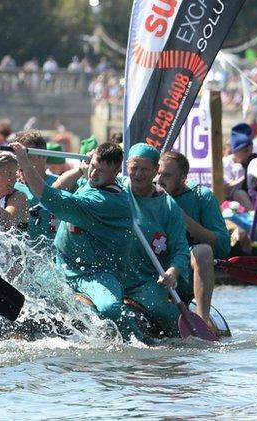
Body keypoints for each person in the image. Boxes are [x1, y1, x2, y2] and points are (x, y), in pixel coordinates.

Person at [10, 141, 143, 341]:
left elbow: (49, 197)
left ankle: (135, 339)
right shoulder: (92, 180)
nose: (94, 174)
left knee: (110, 308)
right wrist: (80, 170)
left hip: (96, 272)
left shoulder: (105, 202)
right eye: (93, 166)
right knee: (25, 299)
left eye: (102, 171)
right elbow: (57, 185)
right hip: (61, 265)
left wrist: (24, 162)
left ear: (115, 173)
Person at [120, 144, 191, 338]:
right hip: (113, 275)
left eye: (145, 169)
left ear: (155, 171)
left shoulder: (169, 206)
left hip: (147, 280)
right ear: (126, 166)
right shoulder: (115, 188)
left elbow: (181, 249)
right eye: (134, 168)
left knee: (158, 308)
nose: (138, 174)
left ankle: (183, 336)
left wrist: (172, 272)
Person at [157, 150, 231, 326]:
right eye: (157, 173)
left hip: (185, 271)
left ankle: (202, 322)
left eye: (166, 175)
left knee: (204, 251)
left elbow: (223, 246)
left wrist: (183, 218)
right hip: (154, 268)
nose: (159, 180)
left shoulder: (202, 197)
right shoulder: (146, 194)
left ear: (183, 178)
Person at [11, 130, 59, 248]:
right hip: (23, 256)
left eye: (25, 156)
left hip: (53, 255)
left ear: (43, 156)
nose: (20, 161)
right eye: (17, 155)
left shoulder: (62, 183)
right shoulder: (10, 186)